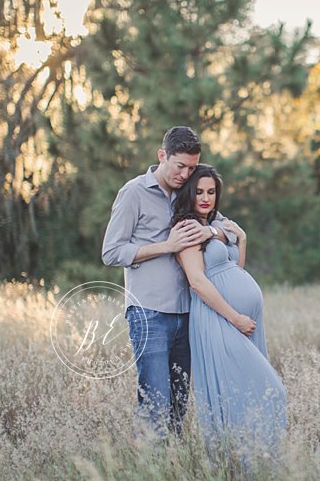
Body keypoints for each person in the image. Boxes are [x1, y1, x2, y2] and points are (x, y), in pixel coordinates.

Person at [102, 126, 223, 437]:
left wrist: (211, 231)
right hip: (149, 313)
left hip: (188, 314)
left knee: (179, 405)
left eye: (192, 168)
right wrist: (167, 246)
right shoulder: (133, 193)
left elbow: (225, 226)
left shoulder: (188, 192)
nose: (185, 174)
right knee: (155, 402)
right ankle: (149, 465)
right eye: (179, 165)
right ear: (162, 156)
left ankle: (173, 465)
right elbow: (111, 252)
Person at [172, 164, 286, 457]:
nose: (205, 197)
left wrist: (243, 240)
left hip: (241, 320)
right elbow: (197, 282)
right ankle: (239, 460)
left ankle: (255, 462)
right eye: (198, 192)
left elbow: (235, 270)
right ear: (188, 193)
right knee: (271, 389)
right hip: (219, 319)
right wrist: (235, 317)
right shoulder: (185, 227)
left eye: (211, 191)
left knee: (244, 395)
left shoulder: (217, 225)